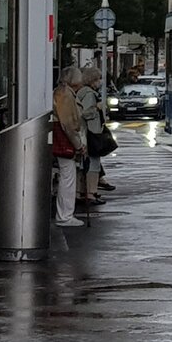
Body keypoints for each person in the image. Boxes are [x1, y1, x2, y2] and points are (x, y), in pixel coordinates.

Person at [52, 66, 86, 227]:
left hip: (61, 138)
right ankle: (65, 216)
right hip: (65, 141)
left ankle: (65, 214)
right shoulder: (66, 95)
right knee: (68, 177)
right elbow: (69, 124)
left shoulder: (62, 92)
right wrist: (79, 145)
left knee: (67, 176)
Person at [76, 66, 108, 206]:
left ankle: (84, 192)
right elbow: (86, 113)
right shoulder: (89, 94)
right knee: (93, 164)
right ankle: (91, 193)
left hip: (86, 132)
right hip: (91, 133)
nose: (100, 81)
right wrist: (97, 108)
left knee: (86, 164)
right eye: (99, 79)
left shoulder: (81, 92)